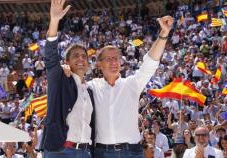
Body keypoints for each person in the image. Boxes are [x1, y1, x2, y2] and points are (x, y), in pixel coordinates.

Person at [86, 16, 173, 158]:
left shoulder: (132, 83)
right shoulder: (91, 87)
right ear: (99, 64)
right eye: (109, 58)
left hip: (132, 152)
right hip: (102, 153)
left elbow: (150, 62)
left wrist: (163, 34)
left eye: (116, 58)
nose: (114, 62)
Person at [41, 0, 94, 158]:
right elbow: (50, 58)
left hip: (85, 152)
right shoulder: (60, 79)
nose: (80, 59)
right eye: (75, 56)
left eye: (84, 56)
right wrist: (55, 21)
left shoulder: (90, 90)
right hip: (61, 150)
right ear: (67, 62)